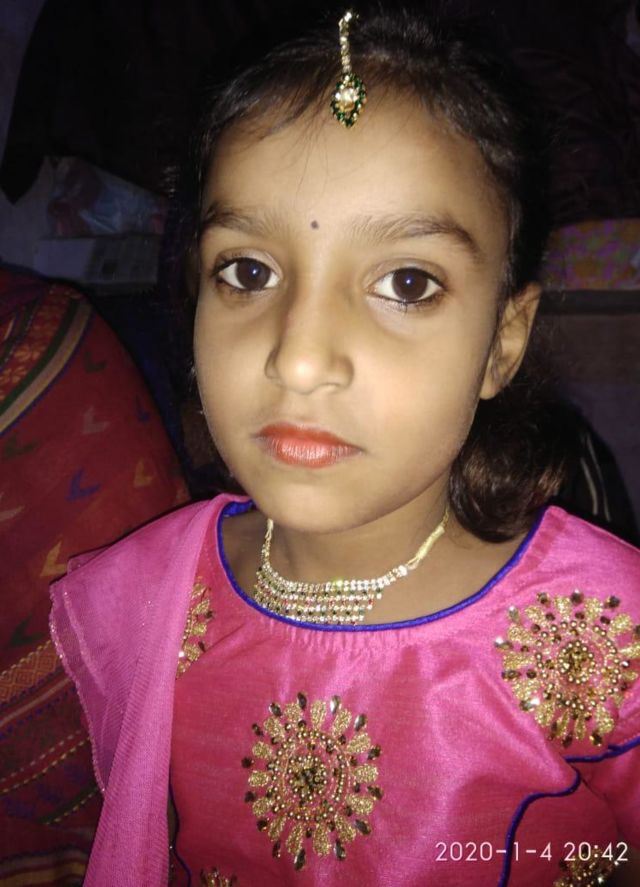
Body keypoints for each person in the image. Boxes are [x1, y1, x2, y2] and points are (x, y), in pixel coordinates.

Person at [49, 5, 640, 886]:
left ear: (502, 343)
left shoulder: (604, 632)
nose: (298, 357)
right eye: (248, 271)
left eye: (407, 282)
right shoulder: (149, 597)